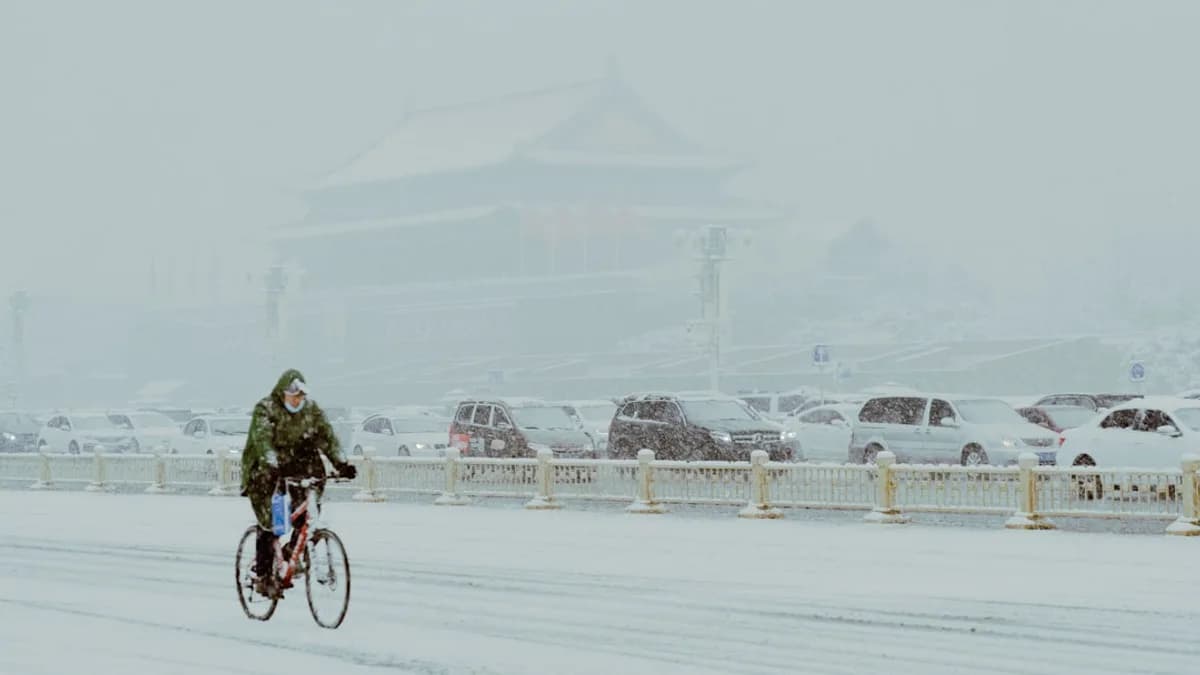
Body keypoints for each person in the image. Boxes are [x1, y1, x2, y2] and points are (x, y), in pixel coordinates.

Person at [240, 368, 356, 597]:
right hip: (266, 473)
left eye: (300, 396)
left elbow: (327, 438)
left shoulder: (311, 411)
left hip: (300, 468)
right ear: (282, 393)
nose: (296, 400)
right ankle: (263, 574)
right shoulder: (266, 409)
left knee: (308, 516)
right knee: (272, 523)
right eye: (292, 396)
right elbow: (262, 440)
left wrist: (341, 464)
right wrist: (271, 463)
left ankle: (292, 553)